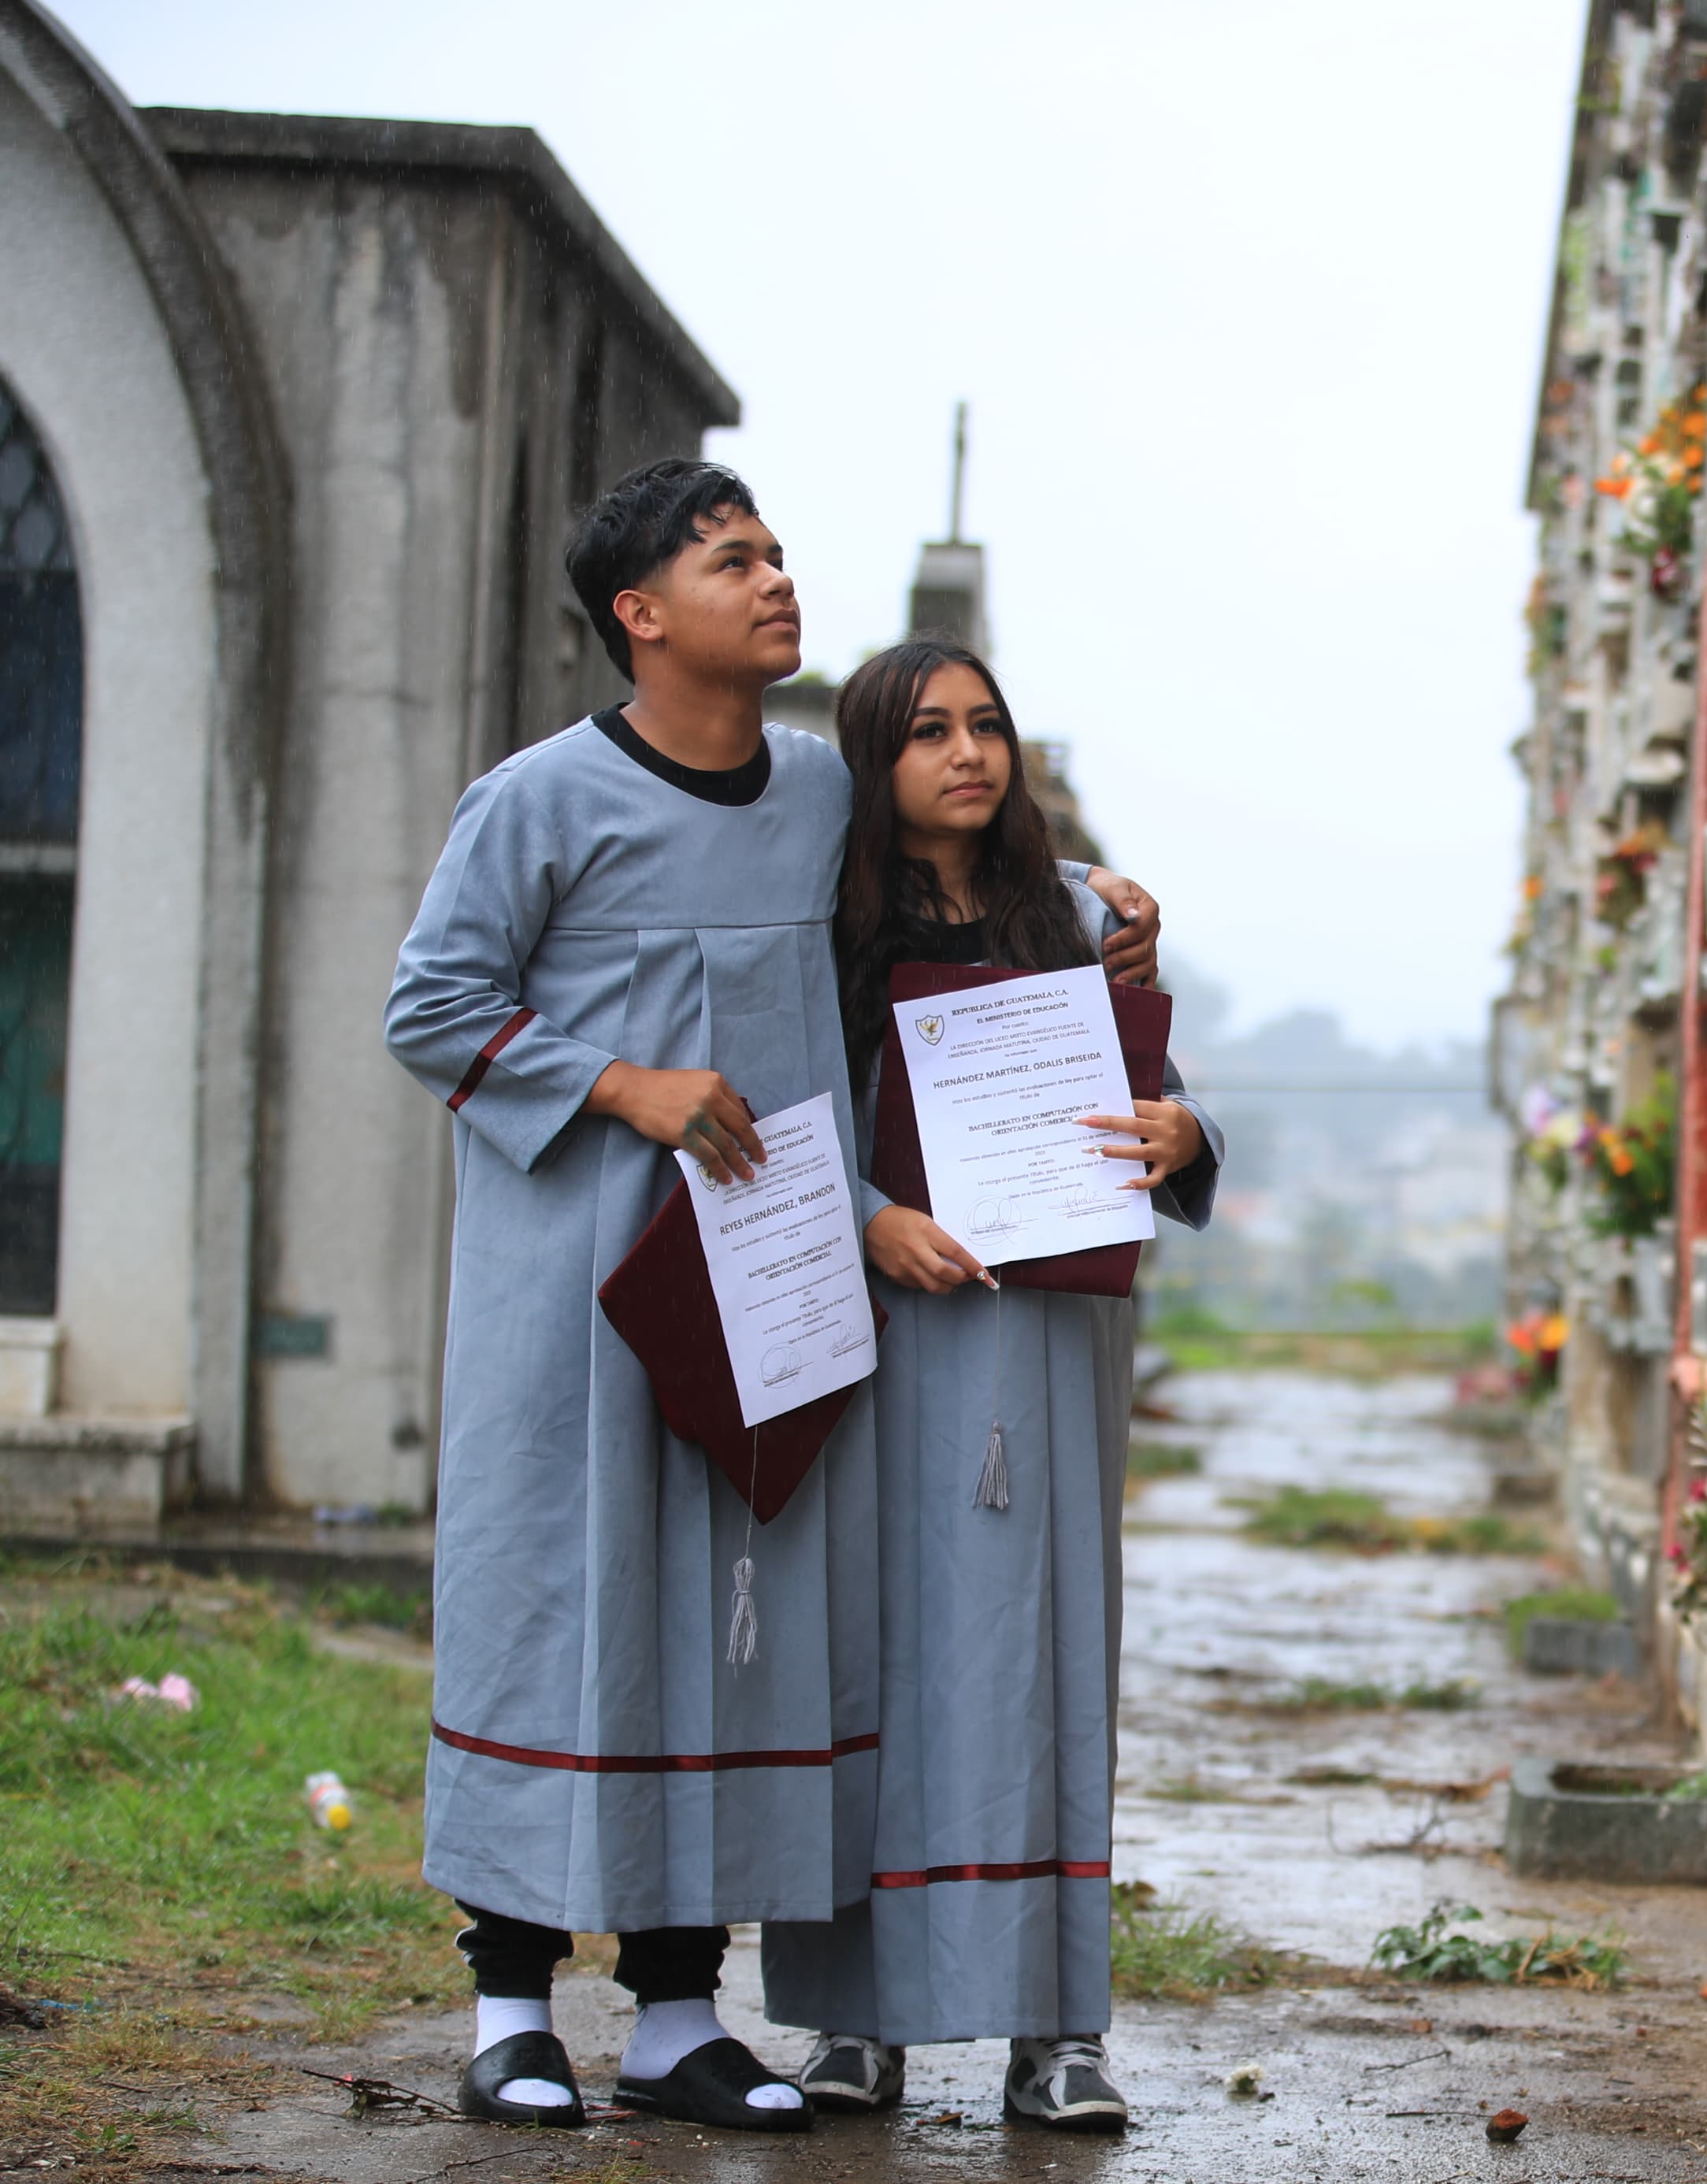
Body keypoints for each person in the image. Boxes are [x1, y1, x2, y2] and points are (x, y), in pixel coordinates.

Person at [386, 464, 1164, 2134]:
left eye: (777, 551)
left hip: (777, 1269)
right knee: (565, 1609)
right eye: (731, 559)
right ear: (642, 614)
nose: (774, 579)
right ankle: (509, 1999)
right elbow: (432, 1006)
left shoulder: (818, 790)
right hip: (575, 1286)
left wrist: (1103, 899)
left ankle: (677, 2014)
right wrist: (621, 1085)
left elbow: (968, 848)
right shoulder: (536, 799)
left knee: (737, 1627)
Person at [758, 637, 1220, 2134]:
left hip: (1042, 1338)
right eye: (930, 730)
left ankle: (1056, 2031)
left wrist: (1183, 1138)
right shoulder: (815, 923)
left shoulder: (1077, 916)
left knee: (1039, 1654)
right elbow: (774, 1112)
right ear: (870, 754)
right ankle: (852, 2018)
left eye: (990, 726)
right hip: (877, 1319)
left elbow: (1158, 1094)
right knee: (869, 1649)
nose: (969, 752)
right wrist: (865, 1214)